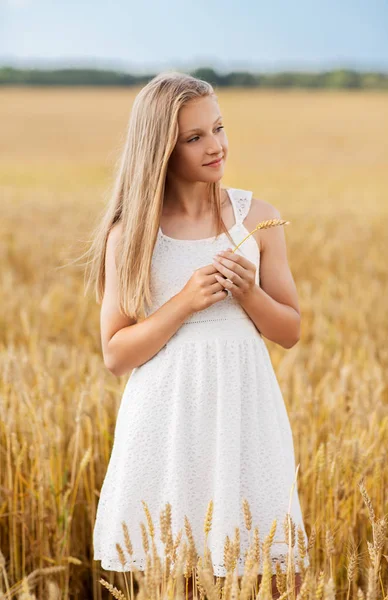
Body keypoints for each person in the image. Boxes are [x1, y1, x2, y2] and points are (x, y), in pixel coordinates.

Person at [87, 71, 310, 597]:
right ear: (162, 148)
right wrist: (185, 302)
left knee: (278, 574)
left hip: (246, 411)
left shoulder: (257, 219)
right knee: (179, 574)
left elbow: (291, 331)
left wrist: (251, 295)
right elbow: (117, 355)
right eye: (195, 137)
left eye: (218, 128)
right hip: (169, 418)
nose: (216, 146)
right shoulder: (133, 232)